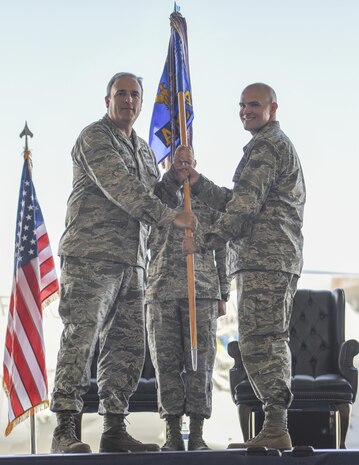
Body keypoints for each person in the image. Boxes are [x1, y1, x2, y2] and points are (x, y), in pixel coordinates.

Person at [50, 72, 197, 454]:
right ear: (107, 100)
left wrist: (179, 176)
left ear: (142, 102)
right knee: (81, 339)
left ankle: (114, 426)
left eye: (134, 95)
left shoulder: (147, 151)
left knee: (127, 347)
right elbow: (123, 190)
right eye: (121, 94)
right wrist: (170, 217)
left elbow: (153, 191)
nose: (128, 100)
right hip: (91, 257)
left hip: (134, 263)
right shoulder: (95, 137)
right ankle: (65, 428)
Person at [176, 83, 306, 450]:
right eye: (242, 105)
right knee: (261, 340)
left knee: (262, 341)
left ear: (272, 108)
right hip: (265, 259)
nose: (245, 110)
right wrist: (198, 184)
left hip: (267, 260)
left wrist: (200, 241)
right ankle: (274, 426)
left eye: (254, 104)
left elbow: (243, 212)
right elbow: (239, 200)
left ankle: (277, 427)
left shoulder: (267, 147)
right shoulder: (265, 146)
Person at [145, 151, 232, 451]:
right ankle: (171, 432)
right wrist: (171, 179)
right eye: (177, 159)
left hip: (202, 290)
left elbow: (222, 246)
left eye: (189, 159)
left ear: (196, 163)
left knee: (201, 365)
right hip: (162, 291)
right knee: (166, 365)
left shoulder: (208, 196)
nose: (184, 164)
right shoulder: (157, 196)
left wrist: (223, 292)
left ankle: (196, 433)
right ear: (169, 162)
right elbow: (144, 208)